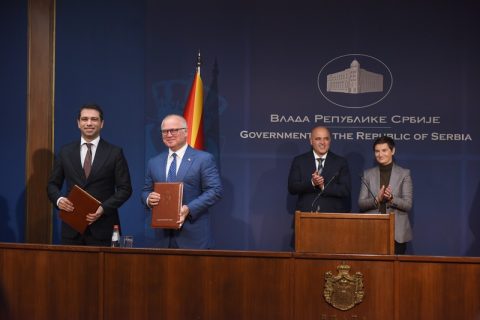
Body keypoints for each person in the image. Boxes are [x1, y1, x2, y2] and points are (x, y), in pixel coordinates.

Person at [47, 104, 132, 246]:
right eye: (84, 119)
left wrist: (103, 208)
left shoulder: (114, 153)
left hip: (103, 228)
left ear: (102, 123)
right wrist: (59, 200)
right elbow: (52, 185)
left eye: (94, 119)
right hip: (72, 229)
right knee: (71, 268)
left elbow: (125, 189)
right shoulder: (65, 152)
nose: (89, 123)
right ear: (78, 123)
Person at [142, 114, 223, 249]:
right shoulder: (154, 162)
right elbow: (146, 190)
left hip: (193, 236)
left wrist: (188, 209)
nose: (168, 134)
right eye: (164, 131)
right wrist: (148, 199)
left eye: (173, 130)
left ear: (185, 132)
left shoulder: (203, 159)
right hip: (162, 237)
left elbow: (215, 191)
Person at [358, 136, 413, 254]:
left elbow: (408, 205)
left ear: (392, 151)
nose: (380, 154)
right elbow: (361, 204)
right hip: (373, 230)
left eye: (384, 150)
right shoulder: (367, 174)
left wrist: (392, 198)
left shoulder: (404, 174)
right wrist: (377, 199)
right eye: (377, 151)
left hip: (396, 233)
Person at [288, 126, 351, 213]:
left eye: (326, 139)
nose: (322, 142)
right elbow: (292, 188)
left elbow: (345, 190)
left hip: (332, 217)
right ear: (311, 141)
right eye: (318, 139)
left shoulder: (340, 162)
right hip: (305, 215)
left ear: (330, 141)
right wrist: (312, 183)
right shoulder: (299, 160)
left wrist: (323, 186)